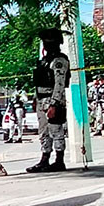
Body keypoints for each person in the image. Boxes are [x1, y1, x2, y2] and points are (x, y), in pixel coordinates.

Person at [26, 28, 70, 173]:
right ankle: (44, 159)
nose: (47, 45)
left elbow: (59, 84)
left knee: (56, 130)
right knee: (43, 131)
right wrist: (35, 98)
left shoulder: (59, 61)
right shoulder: (44, 61)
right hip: (41, 99)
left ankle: (59, 161)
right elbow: (39, 83)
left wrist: (54, 104)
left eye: (50, 42)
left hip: (52, 100)